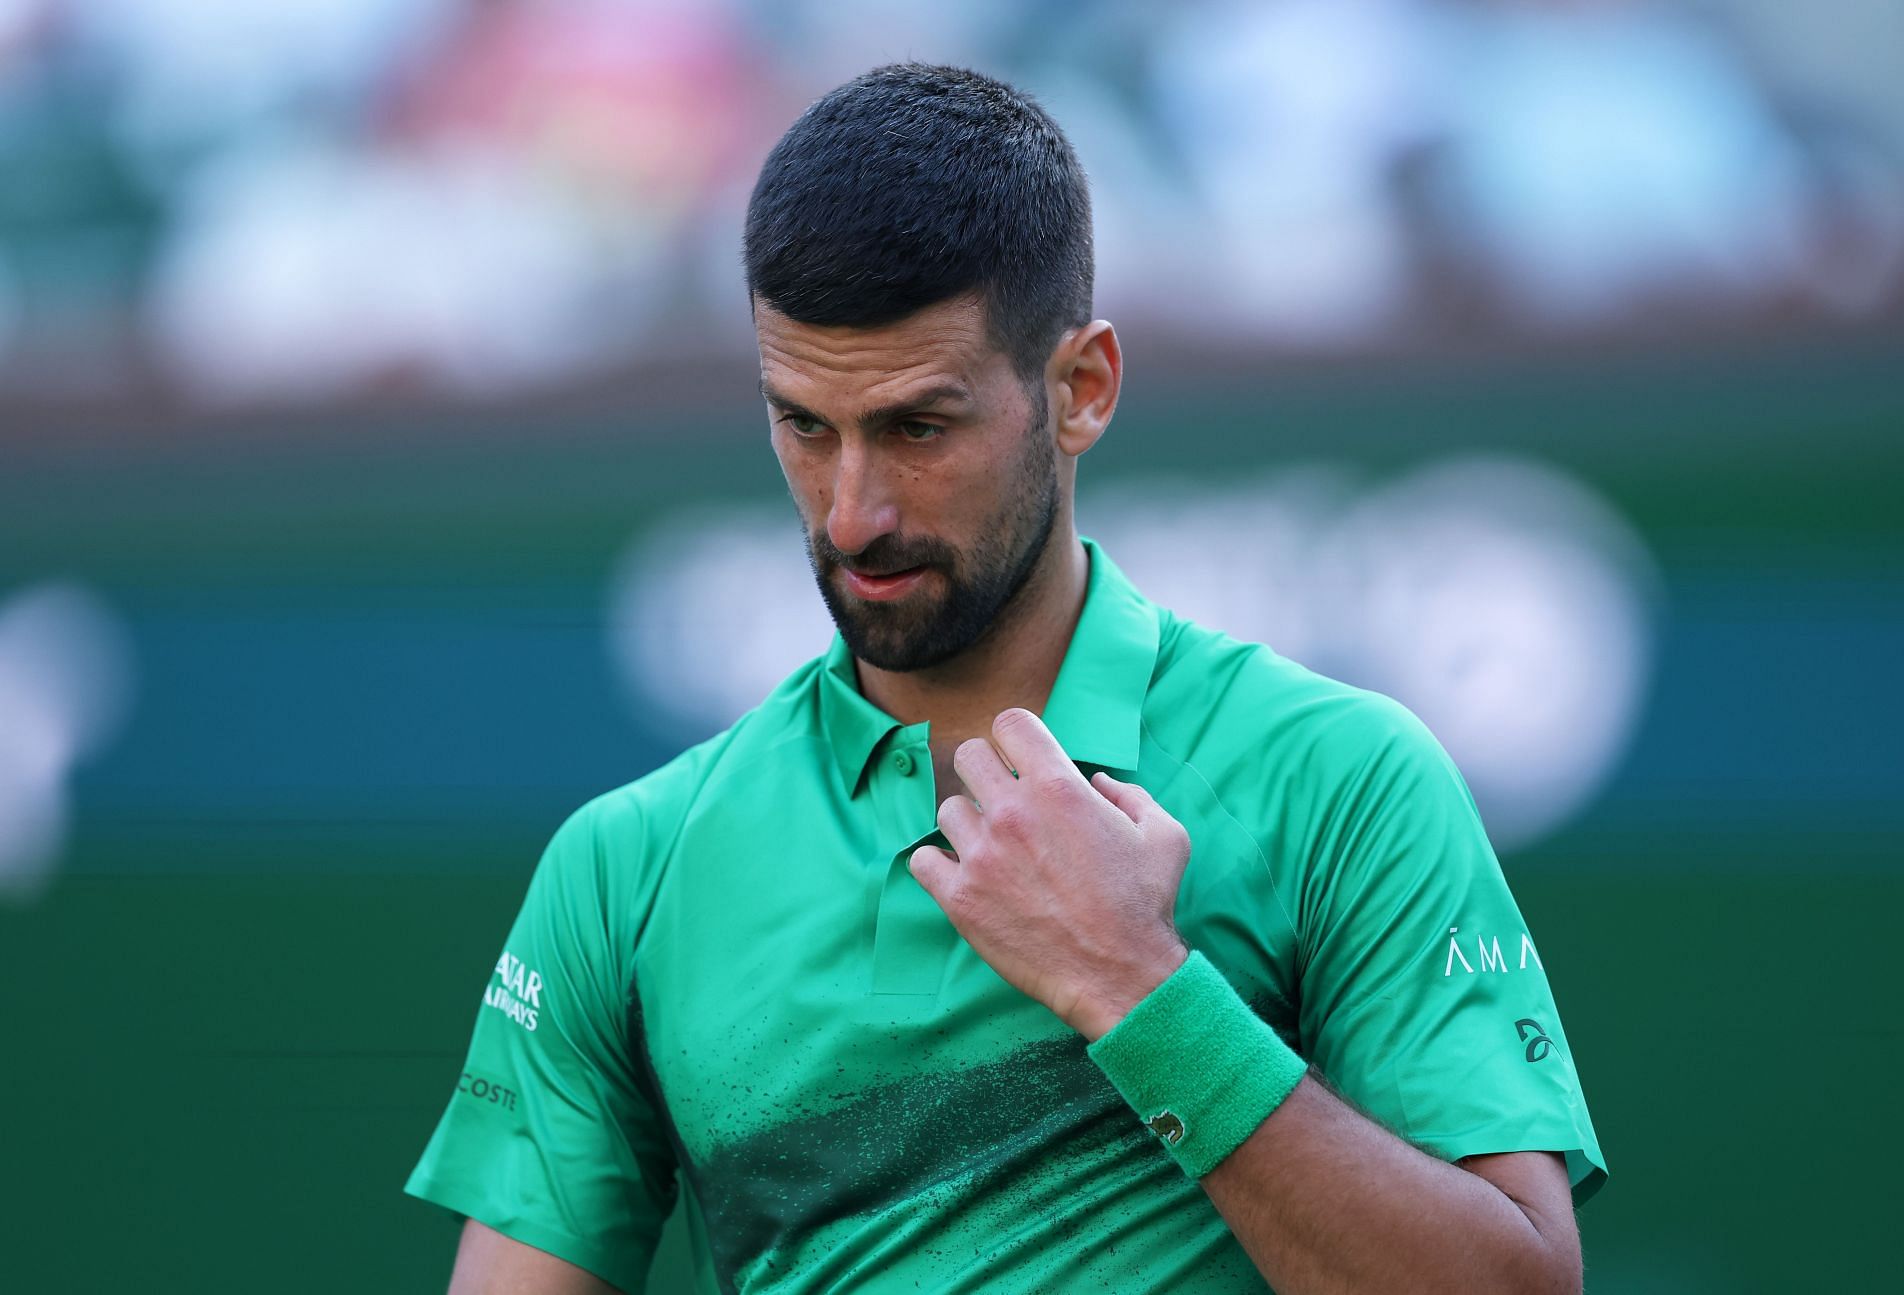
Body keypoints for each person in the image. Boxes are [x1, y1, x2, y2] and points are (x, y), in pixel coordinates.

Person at [405, 63, 1606, 1294]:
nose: (854, 512)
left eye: (918, 427)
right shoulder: (625, 868)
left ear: (1079, 389)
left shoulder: (1344, 780)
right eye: (805, 425)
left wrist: (1137, 987)